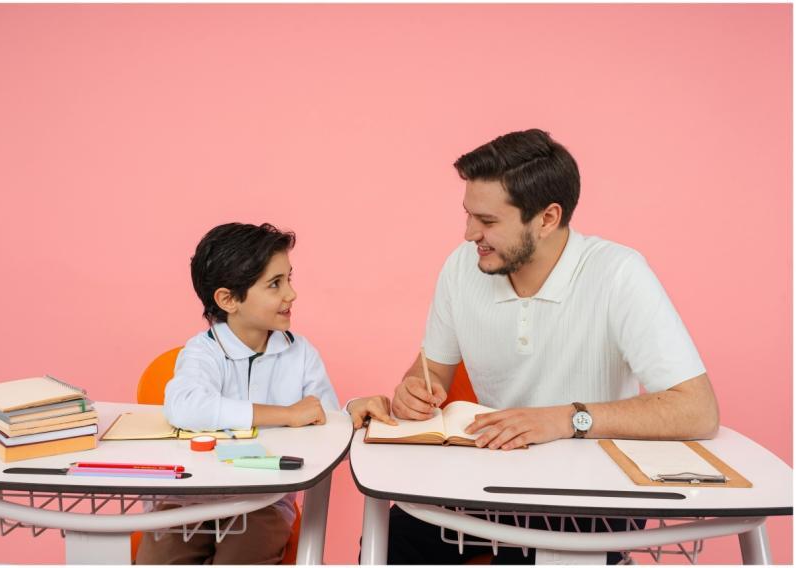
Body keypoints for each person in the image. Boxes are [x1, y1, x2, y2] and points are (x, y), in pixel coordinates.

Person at [386, 129, 720, 564]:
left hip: (595, 493)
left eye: (487, 222)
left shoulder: (618, 273)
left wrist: (566, 419)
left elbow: (698, 409)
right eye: (468, 215)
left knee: (524, 557)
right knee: (395, 534)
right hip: (488, 481)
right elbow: (429, 373)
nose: (470, 234)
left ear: (546, 219)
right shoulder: (460, 269)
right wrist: (412, 392)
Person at [136, 222, 394, 565]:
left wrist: (349, 411)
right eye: (275, 284)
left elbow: (325, 430)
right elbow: (184, 407)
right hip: (186, 501)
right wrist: (286, 415)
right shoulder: (202, 352)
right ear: (228, 299)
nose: (291, 294)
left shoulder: (300, 354)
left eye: (289, 278)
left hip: (264, 502)